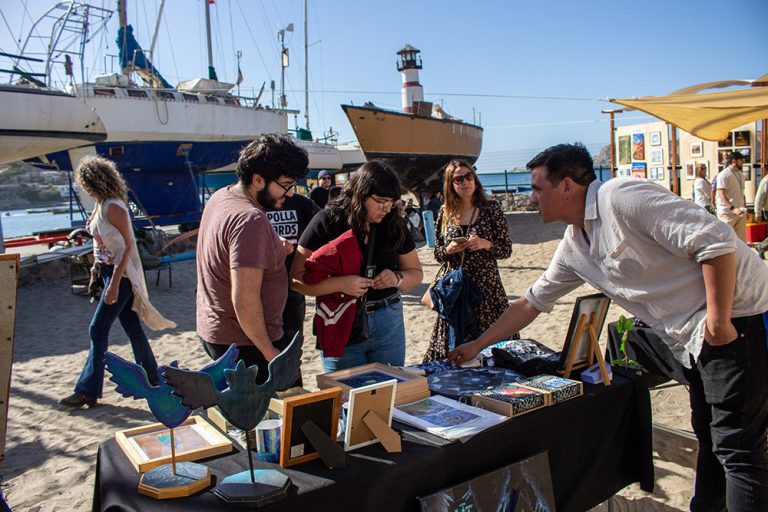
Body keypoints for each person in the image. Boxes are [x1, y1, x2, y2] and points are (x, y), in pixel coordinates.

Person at [447, 143, 768, 512]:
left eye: (537, 188)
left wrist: (719, 320)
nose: (531, 198)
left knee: (739, 450)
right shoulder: (574, 244)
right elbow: (530, 302)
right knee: (711, 437)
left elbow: (715, 242)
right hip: (691, 340)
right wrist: (478, 344)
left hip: (736, 321)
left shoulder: (621, 197)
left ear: (566, 186)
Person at [59, 156, 175, 407]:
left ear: (92, 181)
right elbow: (100, 243)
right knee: (132, 327)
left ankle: (88, 390)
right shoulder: (101, 204)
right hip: (108, 273)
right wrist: (95, 270)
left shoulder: (114, 207)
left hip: (120, 276)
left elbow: (128, 247)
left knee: (97, 329)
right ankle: (152, 376)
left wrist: (113, 284)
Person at [196, 133, 309, 384]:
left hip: (218, 333)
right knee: (278, 420)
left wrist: (277, 249)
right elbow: (244, 299)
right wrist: (270, 352)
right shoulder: (251, 219)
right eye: (286, 185)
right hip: (248, 345)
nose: (289, 194)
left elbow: (226, 257)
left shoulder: (221, 198)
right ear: (258, 179)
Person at [292, 160, 423, 371]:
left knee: (389, 392)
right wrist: (341, 284)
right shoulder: (327, 221)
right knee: (344, 396)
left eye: (391, 202)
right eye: (380, 201)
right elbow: (296, 279)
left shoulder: (393, 223)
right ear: (360, 193)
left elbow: (416, 274)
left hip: (387, 319)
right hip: (339, 319)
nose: (386, 208)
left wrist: (398, 278)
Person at [423, 160, 513, 361]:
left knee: (494, 352)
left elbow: (506, 250)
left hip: (487, 291)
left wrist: (484, 244)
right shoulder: (446, 212)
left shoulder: (491, 209)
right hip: (456, 291)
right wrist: (449, 249)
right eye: (459, 179)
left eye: (469, 176)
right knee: (454, 349)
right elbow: (438, 254)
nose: (465, 182)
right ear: (451, 184)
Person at [265, 192, 320, 376]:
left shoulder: (301, 203)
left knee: (292, 345)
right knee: (267, 347)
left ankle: (293, 385)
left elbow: (323, 225)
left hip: (293, 288)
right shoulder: (260, 202)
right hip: (264, 288)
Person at [715, 151, 747, 241]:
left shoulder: (740, 175)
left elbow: (742, 192)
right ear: (734, 161)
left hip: (740, 211)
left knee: (742, 242)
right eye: (741, 160)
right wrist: (732, 208)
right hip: (727, 213)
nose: (743, 162)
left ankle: (740, 255)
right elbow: (721, 193)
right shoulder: (724, 175)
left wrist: (744, 206)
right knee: (728, 240)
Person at [753, 176, 768, 259]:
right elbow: (759, 198)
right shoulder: (766, 180)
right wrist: (757, 212)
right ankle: (761, 247)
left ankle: (761, 247)